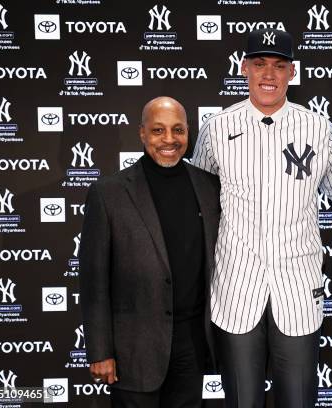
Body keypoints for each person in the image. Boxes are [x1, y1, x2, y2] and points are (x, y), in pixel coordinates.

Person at [192, 29, 332, 407]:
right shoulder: (217, 128)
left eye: (279, 65)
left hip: (297, 286)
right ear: (244, 68)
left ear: (292, 72)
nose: (269, 74)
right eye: (260, 64)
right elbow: (200, 201)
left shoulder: (319, 129)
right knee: (243, 401)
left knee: (298, 400)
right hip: (236, 288)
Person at [79, 97, 220, 407]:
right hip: (134, 348)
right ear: (142, 133)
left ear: (188, 133)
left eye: (177, 130)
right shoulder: (109, 193)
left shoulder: (210, 187)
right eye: (158, 130)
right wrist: (100, 350)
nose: (169, 140)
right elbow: (94, 282)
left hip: (193, 345)